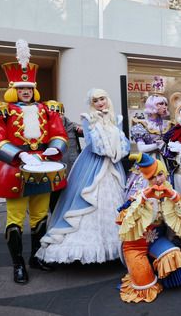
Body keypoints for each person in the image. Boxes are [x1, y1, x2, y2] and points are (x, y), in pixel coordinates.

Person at [0, 39, 68, 284]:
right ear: (14, 89)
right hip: (15, 169)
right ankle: (18, 263)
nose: (26, 92)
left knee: (41, 215)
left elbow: (58, 133)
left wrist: (54, 149)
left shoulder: (48, 108)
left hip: (43, 166)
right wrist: (19, 154)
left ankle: (37, 257)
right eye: (22, 89)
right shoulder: (1, 110)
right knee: (16, 219)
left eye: (29, 88)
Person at [37, 88, 130, 264]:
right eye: (96, 101)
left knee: (113, 202)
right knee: (88, 200)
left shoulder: (117, 119)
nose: (100, 103)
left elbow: (124, 144)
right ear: (92, 104)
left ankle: (117, 247)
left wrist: (116, 149)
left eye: (102, 99)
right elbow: (95, 145)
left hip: (113, 165)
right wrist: (105, 135)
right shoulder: (87, 119)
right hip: (93, 165)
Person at [116, 153, 181, 303]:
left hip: (156, 239)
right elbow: (123, 221)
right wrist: (143, 200)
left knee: (172, 255)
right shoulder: (139, 195)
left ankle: (159, 272)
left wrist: (175, 198)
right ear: (146, 179)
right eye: (152, 177)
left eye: (160, 174)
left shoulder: (170, 192)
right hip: (135, 245)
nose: (158, 180)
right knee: (143, 286)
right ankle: (146, 269)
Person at [125, 95, 172, 200]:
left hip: (163, 160)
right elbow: (141, 148)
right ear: (152, 106)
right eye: (160, 104)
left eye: (165, 104)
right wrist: (157, 145)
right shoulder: (142, 125)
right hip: (147, 160)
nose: (164, 106)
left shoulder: (167, 125)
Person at [49, 115, 83, 212]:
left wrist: (83, 128)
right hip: (55, 168)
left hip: (72, 167)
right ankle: (55, 219)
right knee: (55, 196)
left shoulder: (71, 126)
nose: (57, 115)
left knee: (73, 194)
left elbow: (87, 132)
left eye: (59, 113)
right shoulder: (47, 127)